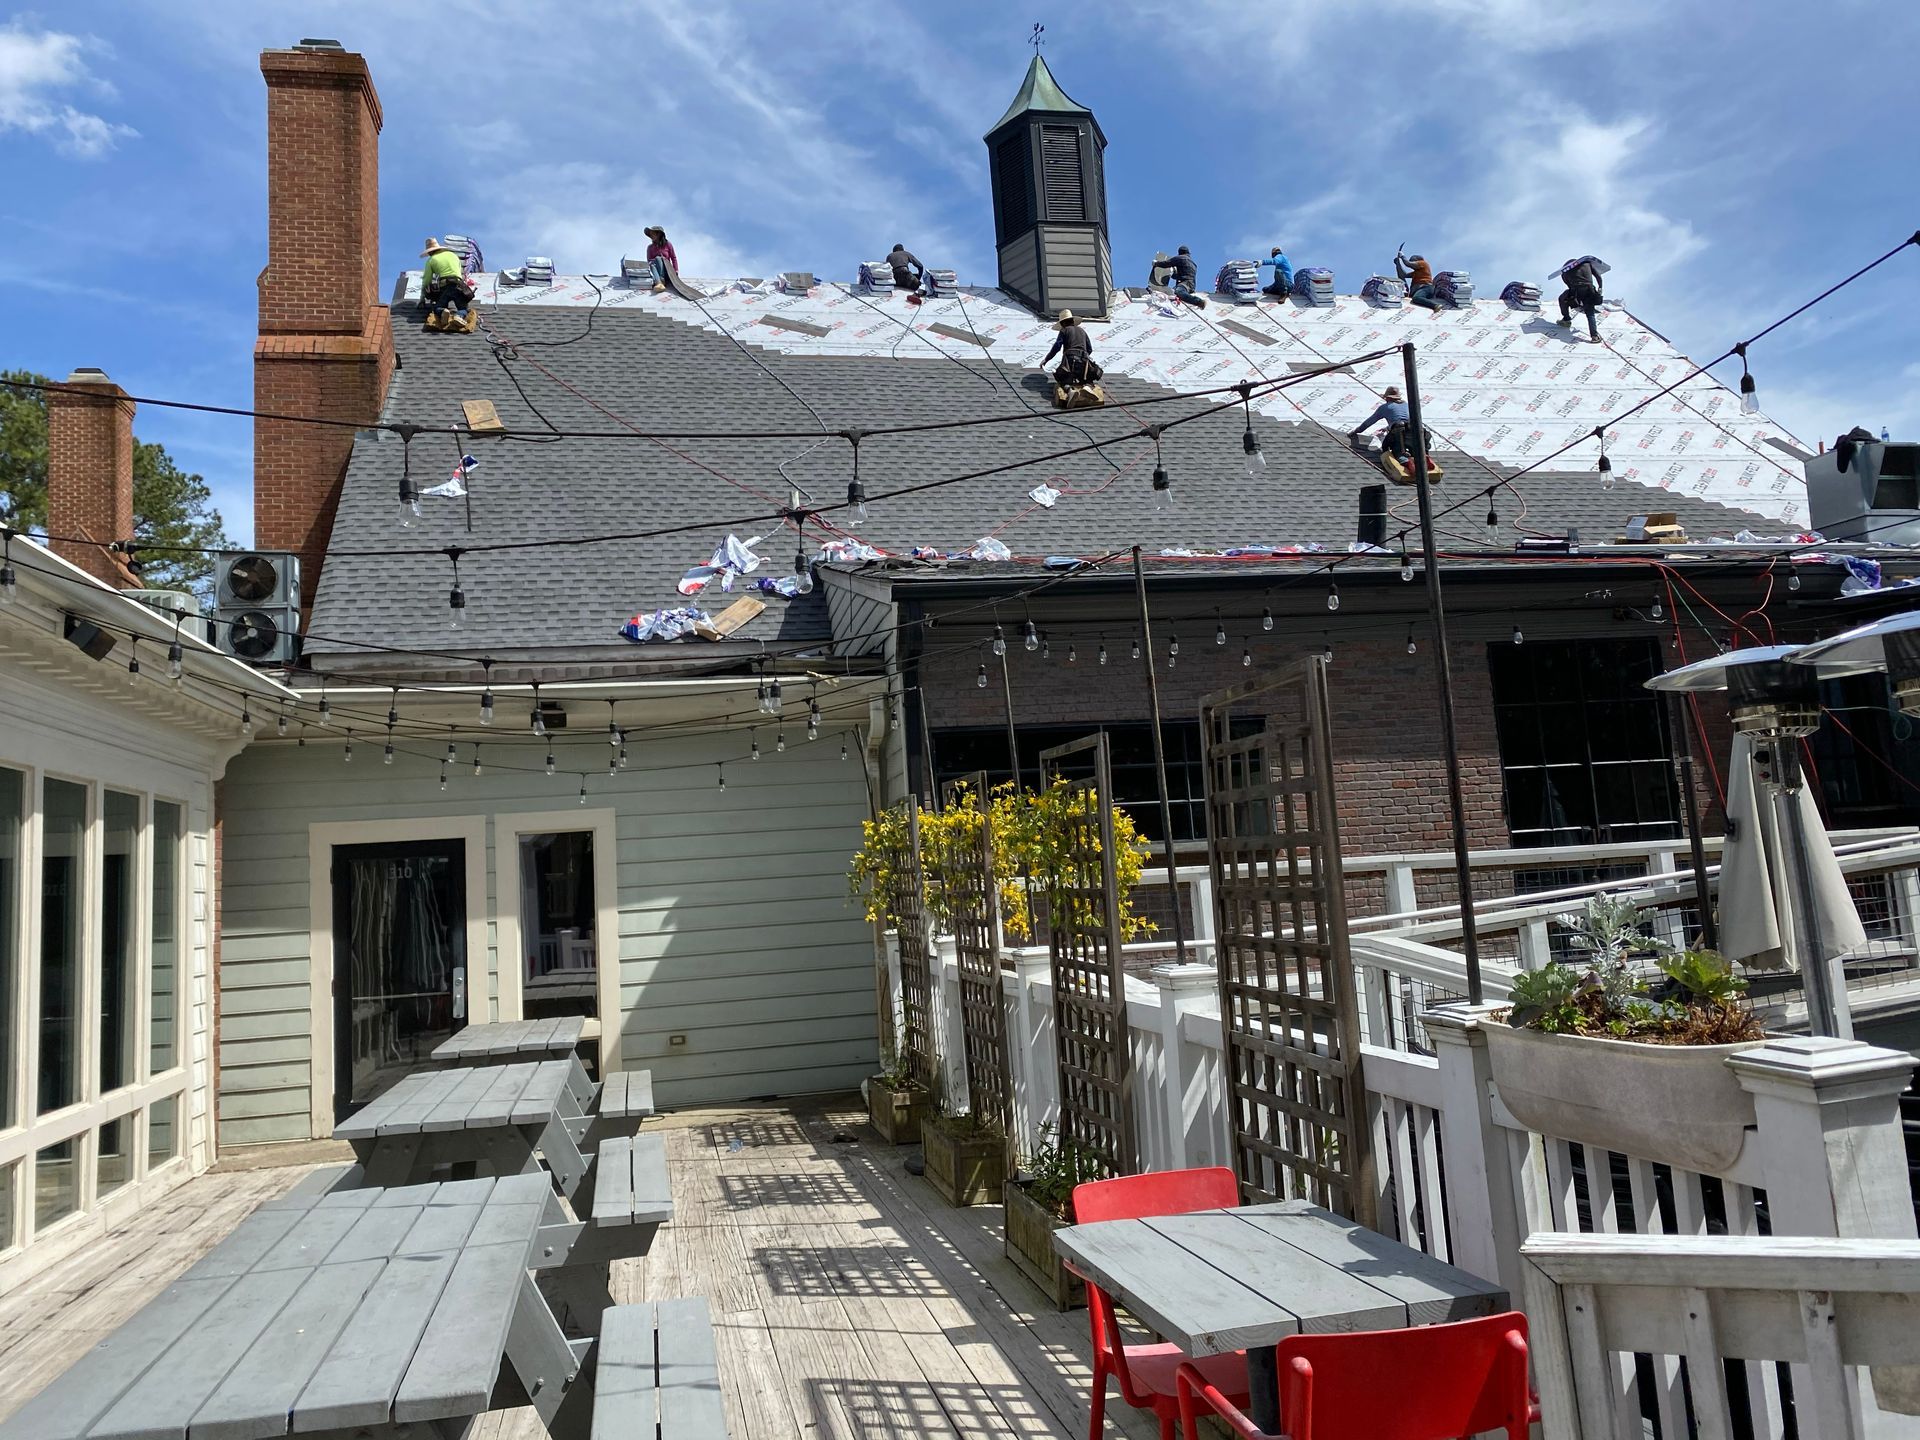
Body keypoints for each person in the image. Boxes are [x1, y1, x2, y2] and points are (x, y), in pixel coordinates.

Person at [420, 238, 475, 332]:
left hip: (444, 287)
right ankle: (459, 316)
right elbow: (460, 274)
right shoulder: (453, 255)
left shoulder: (431, 260)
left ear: (430, 252)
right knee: (463, 308)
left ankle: (442, 311)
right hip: (458, 285)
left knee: (437, 307)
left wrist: (422, 298)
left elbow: (426, 280)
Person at [1348, 386, 1412, 462]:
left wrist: (1355, 431)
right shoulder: (1406, 404)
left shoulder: (1385, 407)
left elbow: (1368, 423)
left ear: (1388, 398)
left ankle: (1404, 461)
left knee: (1389, 448)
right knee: (1414, 449)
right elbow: (1403, 420)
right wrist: (1387, 428)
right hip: (1413, 430)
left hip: (1398, 431)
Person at [1044, 309, 1101, 388]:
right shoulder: (1082, 331)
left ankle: (1069, 390)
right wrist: (1083, 356)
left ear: (1063, 323)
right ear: (1073, 321)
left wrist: (1046, 359)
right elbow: (1089, 349)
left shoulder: (1064, 330)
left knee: (1062, 378)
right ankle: (1087, 388)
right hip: (1084, 361)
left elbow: (1057, 347)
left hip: (1070, 361)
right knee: (1084, 379)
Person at [1556, 257, 1604, 340]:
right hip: (1589, 289)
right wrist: (1600, 288)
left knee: (1562, 298)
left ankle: (1566, 319)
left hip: (1576, 289)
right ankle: (1594, 336)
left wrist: (1575, 298)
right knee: (1590, 313)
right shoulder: (1587, 264)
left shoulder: (1565, 271)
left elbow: (1568, 284)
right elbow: (1598, 276)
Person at [643, 226, 679, 293]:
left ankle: (662, 280)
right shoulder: (650, 247)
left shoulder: (668, 244)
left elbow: (673, 258)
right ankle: (659, 283)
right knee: (652, 263)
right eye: (650, 234)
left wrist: (676, 270)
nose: (651, 236)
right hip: (656, 272)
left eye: (653, 234)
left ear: (659, 234)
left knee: (658, 258)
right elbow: (649, 261)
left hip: (667, 271)